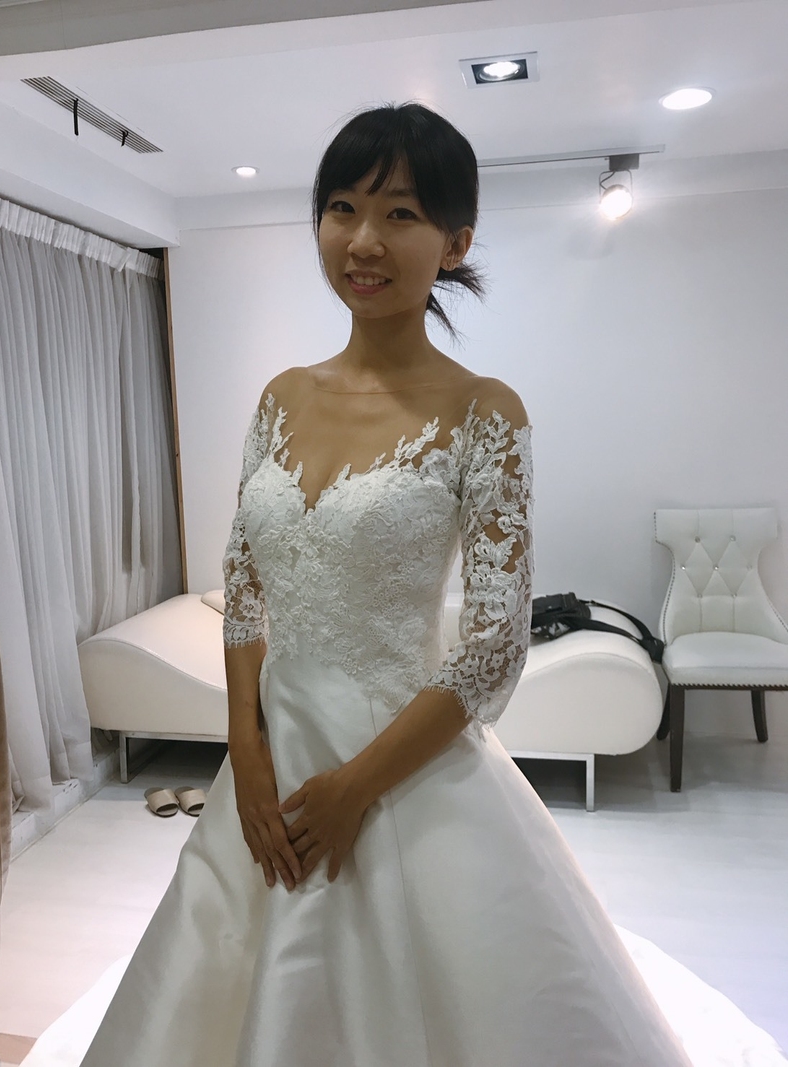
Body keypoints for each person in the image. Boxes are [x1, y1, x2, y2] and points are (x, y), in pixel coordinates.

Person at [79, 102, 691, 1066]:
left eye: (400, 213)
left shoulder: (486, 413)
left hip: (402, 763)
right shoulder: (281, 396)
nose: (363, 240)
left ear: (456, 241)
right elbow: (243, 578)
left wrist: (353, 789)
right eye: (342, 208)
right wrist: (244, 747)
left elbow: (493, 646)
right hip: (271, 759)